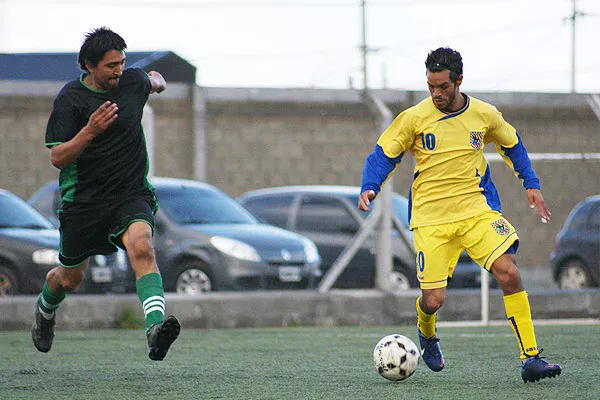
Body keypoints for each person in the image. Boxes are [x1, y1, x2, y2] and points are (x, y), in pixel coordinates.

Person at [358, 47, 562, 382]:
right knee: (433, 299)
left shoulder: (484, 114)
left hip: (476, 212)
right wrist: (371, 185)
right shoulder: (414, 118)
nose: (436, 94)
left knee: (508, 271)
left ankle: (531, 358)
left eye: (442, 87)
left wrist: (531, 182)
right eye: (431, 87)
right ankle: (427, 334)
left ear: (459, 81)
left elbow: (512, 144)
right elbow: (384, 154)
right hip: (431, 219)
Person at [31, 27, 180, 361]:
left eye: (122, 63)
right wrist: (90, 131)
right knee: (70, 279)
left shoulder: (131, 82)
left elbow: (155, 80)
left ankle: (155, 330)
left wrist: (156, 80)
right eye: (111, 65)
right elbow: (58, 157)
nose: (118, 70)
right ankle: (44, 310)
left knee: (142, 247)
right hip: (84, 201)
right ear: (89, 65)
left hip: (130, 193)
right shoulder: (70, 100)